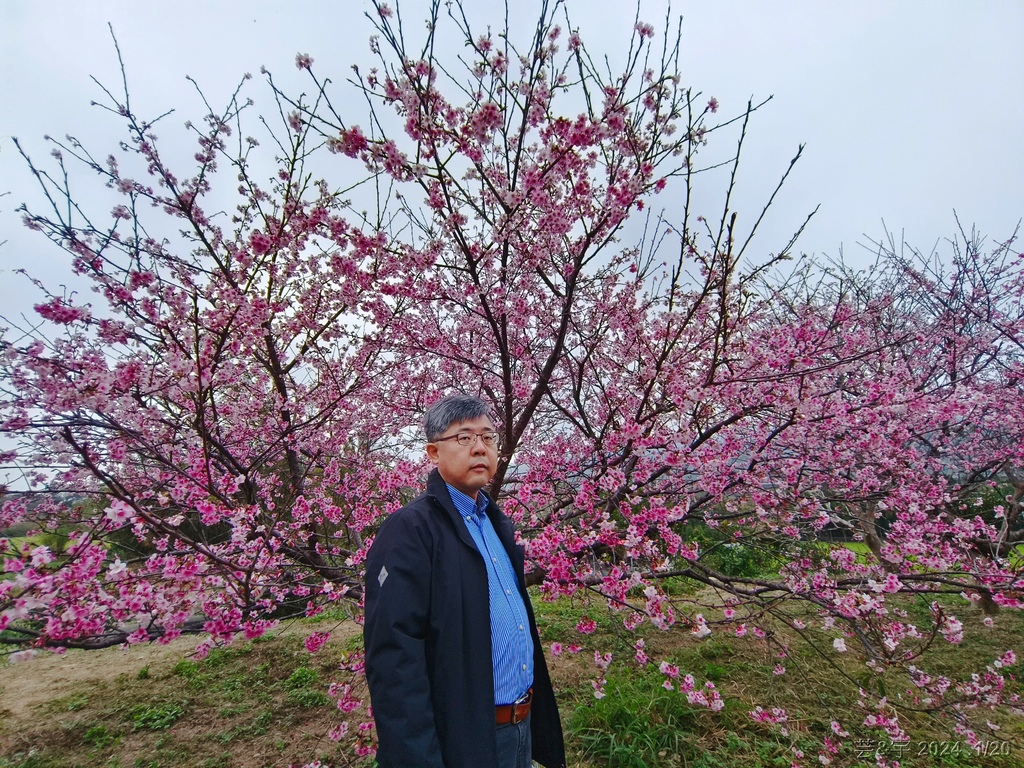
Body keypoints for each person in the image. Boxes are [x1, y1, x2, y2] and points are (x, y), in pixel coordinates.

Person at [363, 394, 566, 768]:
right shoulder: (410, 530)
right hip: (464, 738)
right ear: (433, 452)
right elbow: (394, 660)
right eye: (464, 438)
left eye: (488, 438)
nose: (479, 448)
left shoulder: (495, 524)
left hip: (520, 729)